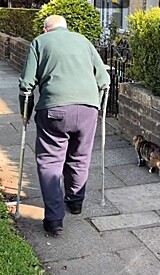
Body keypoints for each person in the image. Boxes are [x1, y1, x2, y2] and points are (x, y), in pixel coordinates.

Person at [18, 15, 110, 235]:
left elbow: (26, 85)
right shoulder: (83, 40)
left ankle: (54, 220)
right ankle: (76, 202)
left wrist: (25, 113)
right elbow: (104, 80)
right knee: (80, 157)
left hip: (54, 110)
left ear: (46, 29)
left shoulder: (40, 42)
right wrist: (94, 103)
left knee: (50, 162)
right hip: (87, 110)